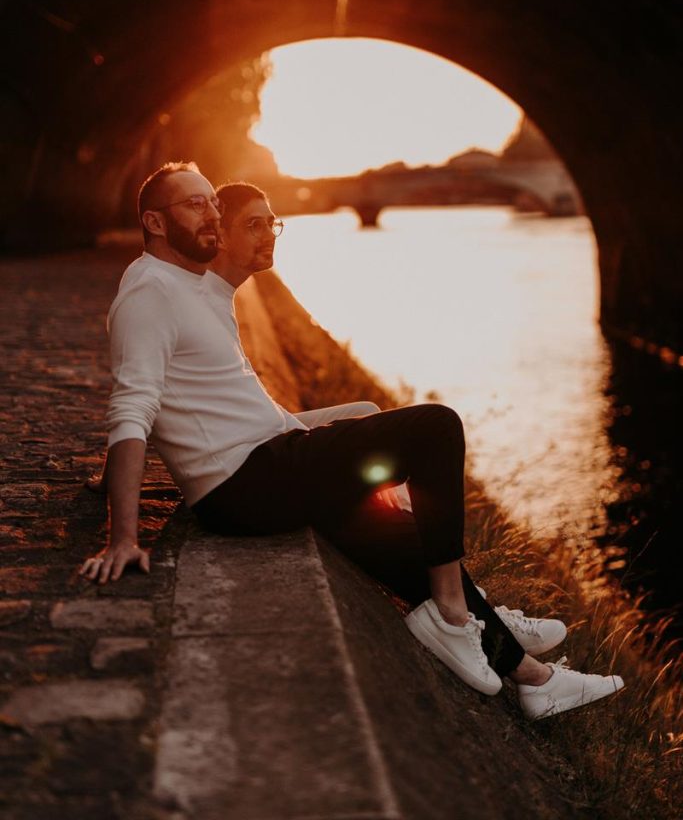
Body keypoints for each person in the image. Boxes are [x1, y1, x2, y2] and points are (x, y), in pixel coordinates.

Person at [81, 162, 624, 720]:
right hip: (243, 482)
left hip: (261, 465)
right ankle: (455, 615)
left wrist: (103, 481)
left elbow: (181, 397)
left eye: (212, 204)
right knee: (436, 428)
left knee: (386, 527)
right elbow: (133, 405)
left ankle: (531, 678)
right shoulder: (150, 293)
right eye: (195, 206)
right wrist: (122, 536)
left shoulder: (189, 287)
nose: (212, 215)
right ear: (152, 221)